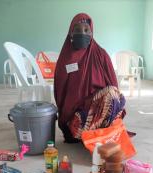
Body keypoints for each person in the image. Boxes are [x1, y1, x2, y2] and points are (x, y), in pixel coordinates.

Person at [54, 13, 126, 143]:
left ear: (92, 33)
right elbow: (60, 92)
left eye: (86, 30)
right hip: (76, 115)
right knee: (77, 126)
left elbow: (114, 86)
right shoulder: (65, 59)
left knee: (112, 95)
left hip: (98, 108)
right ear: (71, 33)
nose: (82, 33)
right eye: (77, 30)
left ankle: (99, 135)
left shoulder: (101, 55)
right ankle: (86, 136)